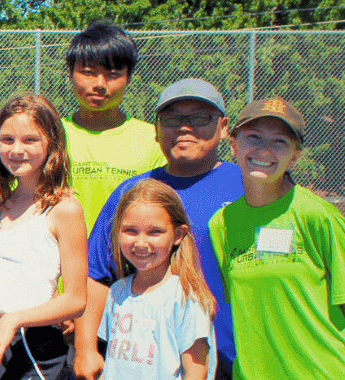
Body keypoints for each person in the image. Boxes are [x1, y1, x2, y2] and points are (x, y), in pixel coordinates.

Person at [76, 79, 242, 380]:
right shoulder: (132, 192)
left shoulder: (248, 186)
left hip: (240, 358)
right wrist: (86, 347)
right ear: (156, 129)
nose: (185, 127)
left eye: (200, 117)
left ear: (223, 127)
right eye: (172, 118)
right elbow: (97, 274)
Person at [209, 97, 345, 380]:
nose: (264, 149)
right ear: (233, 145)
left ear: (294, 156)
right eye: (253, 137)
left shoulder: (318, 215)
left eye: (279, 142)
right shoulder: (222, 224)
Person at [0, 94, 87, 380]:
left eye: (30, 140)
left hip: (32, 346)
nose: (17, 149)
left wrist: (13, 320)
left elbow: (76, 300)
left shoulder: (64, 208)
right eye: (7, 140)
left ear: (52, 144)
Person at [99, 179, 217, 380]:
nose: (141, 242)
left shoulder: (185, 296)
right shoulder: (117, 291)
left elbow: (196, 370)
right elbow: (113, 364)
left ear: (178, 235)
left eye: (155, 232)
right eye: (131, 231)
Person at [61, 21, 166, 230]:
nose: (100, 84)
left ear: (128, 78)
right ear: (70, 74)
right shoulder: (49, 136)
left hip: (129, 258)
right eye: (88, 72)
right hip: (59, 259)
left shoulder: (154, 139)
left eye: (113, 74)